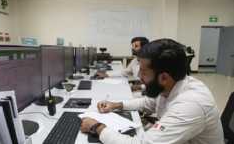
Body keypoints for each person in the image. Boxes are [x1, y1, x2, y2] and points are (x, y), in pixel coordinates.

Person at [80, 39, 224, 144]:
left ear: (164, 77)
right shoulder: (171, 85)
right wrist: (116, 105)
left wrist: (97, 127)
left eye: (143, 72)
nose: (138, 77)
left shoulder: (190, 104)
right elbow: (148, 102)